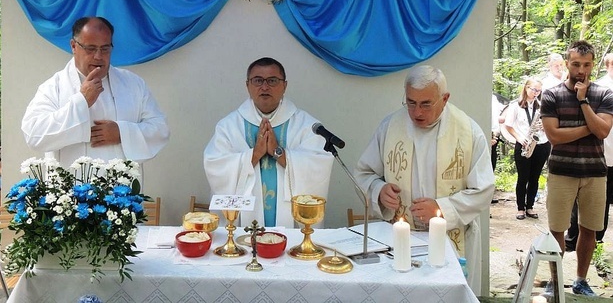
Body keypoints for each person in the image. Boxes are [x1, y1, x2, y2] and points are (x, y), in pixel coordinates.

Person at [354, 65, 494, 295]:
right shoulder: (390, 127)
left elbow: (484, 189)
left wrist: (441, 208)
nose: (417, 112)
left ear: (445, 98)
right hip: (400, 238)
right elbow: (363, 173)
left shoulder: (468, 132)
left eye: (426, 104)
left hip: (451, 239)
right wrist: (379, 189)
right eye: (411, 102)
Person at [22, 16, 169, 174]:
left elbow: (160, 129)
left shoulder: (134, 85)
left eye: (105, 49)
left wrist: (122, 133)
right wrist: (81, 102)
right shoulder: (54, 87)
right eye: (90, 48)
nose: (98, 56)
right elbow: (34, 135)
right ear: (73, 46)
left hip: (121, 194)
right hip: (69, 195)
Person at [204, 57, 334, 227]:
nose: (264, 87)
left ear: (284, 86)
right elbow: (215, 166)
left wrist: (278, 152)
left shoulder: (307, 125)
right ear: (248, 86)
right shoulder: (228, 126)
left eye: (272, 81)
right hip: (242, 224)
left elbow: (319, 166)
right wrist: (254, 154)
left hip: (292, 224)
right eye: (258, 80)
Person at [541, 40, 613, 297]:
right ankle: (555, 279)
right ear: (567, 63)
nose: (581, 70)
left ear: (593, 65)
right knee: (557, 228)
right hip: (561, 171)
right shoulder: (551, 94)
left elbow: (604, 131)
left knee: (589, 229)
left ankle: (581, 280)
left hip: (595, 172)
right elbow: (554, 137)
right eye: (575, 64)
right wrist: (590, 128)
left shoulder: (604, 94)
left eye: (586, 64)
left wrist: (583, 102)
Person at [565, 52, 613, 250]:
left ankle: (597, 241)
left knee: (605, 200)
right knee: (581, 200)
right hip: (596, 151)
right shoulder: (600, 88)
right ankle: (572, 240)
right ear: (608, 65)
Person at [502, 78, 551, 220]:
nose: (536, 93)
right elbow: (508, 126)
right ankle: (520, 208)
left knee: (534, 178)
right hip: (524, 143)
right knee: (523, 177)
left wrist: (545, 125)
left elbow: (551, 122)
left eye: (538, 91)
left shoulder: (542, 105)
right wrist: (519, 138)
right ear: (526, 88)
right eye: (533, 89)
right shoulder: (515, 106)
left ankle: (530, 206)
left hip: (541, 143)